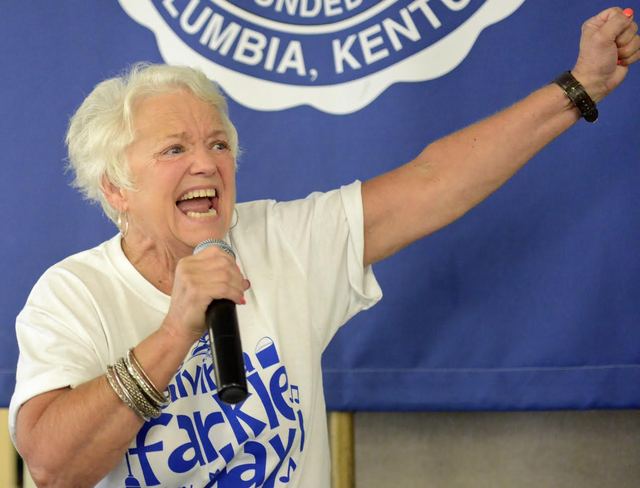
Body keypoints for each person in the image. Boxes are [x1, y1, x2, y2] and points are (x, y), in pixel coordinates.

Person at [8, 6, 639, 488]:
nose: (206, 163)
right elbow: (54, 467)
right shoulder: (73, 295)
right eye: (175, 149)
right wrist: (175, 333)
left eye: (219, 144)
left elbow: (433, 181)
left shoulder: (280, 242)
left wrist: (579, 87)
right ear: (115, 187)